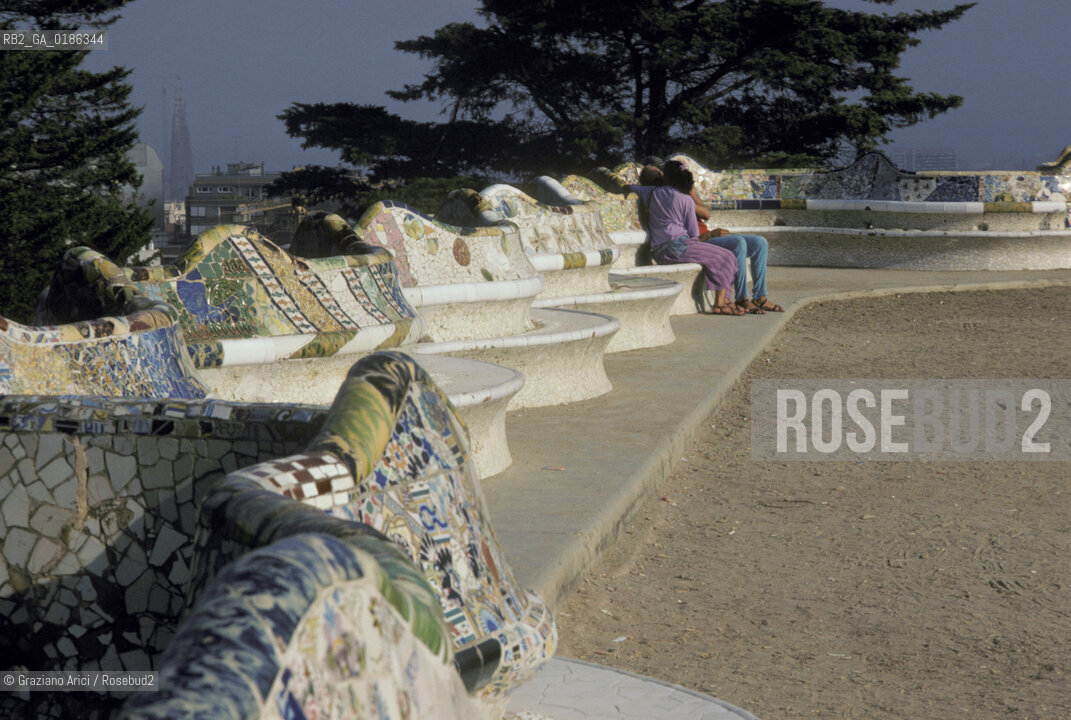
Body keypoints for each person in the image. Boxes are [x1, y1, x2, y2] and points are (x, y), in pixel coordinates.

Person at [640, 161, 783, 314]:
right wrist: (686, 196)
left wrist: (690, 190)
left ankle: (760, 296)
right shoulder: (667, 195)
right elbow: (702, 217)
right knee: (738, 243)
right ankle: (742, 298)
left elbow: (706, 213)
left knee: (760, 242)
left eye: (661, 173)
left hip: (704, 234)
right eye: (658, 174)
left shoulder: (683, 191)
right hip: (699, 239)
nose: (661, 176)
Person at [629, 161, 744, 315]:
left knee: (725, 256)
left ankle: (724, 300)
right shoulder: (686, 200)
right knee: (726, 256)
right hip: (676, 249)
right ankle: (720, 303)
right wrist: (709, 235)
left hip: (661, 251)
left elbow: (627, 188)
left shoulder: (650, 192)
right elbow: (694, 235)